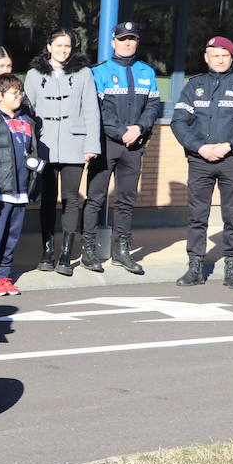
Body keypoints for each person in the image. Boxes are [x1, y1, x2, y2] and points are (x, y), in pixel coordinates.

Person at [81, 21, 162, 275]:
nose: (127, 43)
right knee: (95, 197)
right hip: (106, 143)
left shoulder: (147, 72)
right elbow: (97, 110)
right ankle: (88, 250)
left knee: (126, 200)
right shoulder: (98, 72)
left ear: (137, 42)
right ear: (113, 42)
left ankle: (122, 251)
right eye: (123, 39)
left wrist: (139, 128)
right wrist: (121, 132)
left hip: (134, 144)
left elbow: (153, 106)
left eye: (132, 39)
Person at [24, 29, 100, 276]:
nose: (63, 50)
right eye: (58, 45)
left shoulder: (84, 73)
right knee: (47, 199)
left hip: (74, 143)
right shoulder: (35, 74)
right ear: (49, 46)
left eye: (67, 46)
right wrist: (29, 146)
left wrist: (91, 145)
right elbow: (28, 111)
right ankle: (47, 251)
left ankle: (66, 255)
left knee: (70, 198)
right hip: (45, 145)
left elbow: (91, 109)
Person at [171, 36, 233, 288]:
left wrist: (229, 144)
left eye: (225, 55)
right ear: (206, 57)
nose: (220, 59)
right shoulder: (194, 86)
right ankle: (195, 267)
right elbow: (179, 121)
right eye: (215, 55)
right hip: (200, 160)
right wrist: (199, 146)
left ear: (231, 57)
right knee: (197, 216)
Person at [0, 74, 39, 297]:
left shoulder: (27, 121)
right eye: (14, 93)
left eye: (20, 92)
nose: (19, 97)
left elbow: (32, 151)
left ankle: (4, 276)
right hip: (1, 190)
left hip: (22, 189)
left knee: (12, 238)